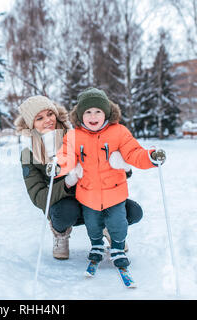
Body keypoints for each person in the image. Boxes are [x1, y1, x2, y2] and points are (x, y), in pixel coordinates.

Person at [14, 95, 145, 260]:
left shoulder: (76, 135)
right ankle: (60, 234)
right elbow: (39, 198)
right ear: (30, 124)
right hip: (66, 206)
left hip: (95, 197)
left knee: (133, 211)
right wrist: (68, 182)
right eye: (39, 118)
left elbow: (106, 164)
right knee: (64, 212)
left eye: (50, 114)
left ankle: (109, 227)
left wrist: (124, 167)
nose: (47, 120)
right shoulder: (29, 153)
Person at [52, 87, 166, 267]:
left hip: (115, 192)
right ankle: (96, 245)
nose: (93, 116)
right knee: (92, 223)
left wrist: (150, 157)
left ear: (106, 113)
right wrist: (58, 165)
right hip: (88, 194)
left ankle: (118, 247)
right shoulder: (74, 136)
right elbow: (66, 155)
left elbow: (134, 153)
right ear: (81, 116)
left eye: (98, 111)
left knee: (117, 223)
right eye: (88, 112)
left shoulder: (119, 132)